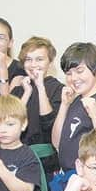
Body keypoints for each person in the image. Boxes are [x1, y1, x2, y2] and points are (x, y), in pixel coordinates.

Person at [50, 42, 96, 191]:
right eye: (69, 73)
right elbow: (56, 142)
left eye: (79, 71)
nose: (74, 78)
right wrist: (64, 105)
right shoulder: (75, 100)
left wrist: (94, 115)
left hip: (87, 183)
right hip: (68, 178)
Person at [11, 36, 64, 182]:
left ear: (50, 62)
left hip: (46, 163)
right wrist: (27, 93)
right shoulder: (18, 91)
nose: (33, 64)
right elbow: (10, 123)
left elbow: (49, 124)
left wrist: (40, 87)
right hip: (18, 161)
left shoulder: (58, 89)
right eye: (28, 59)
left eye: (39, 59)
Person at [0, 17, 26, 95]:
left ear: (10, 43)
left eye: (0, 37)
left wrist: (2, 68)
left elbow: (6, 105)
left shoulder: (20, 69)